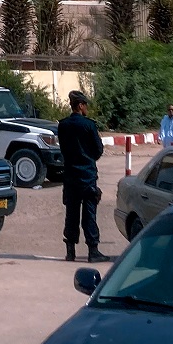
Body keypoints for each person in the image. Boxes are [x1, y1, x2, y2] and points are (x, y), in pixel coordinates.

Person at [57, 90, 109, 263]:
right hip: (87, 175)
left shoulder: (63, 125)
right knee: (89, 214)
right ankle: (93, 251)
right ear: (80, 105)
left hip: (70, 176)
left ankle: (70, 251)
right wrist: (88, 158)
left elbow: (63, 149)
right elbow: (98, 150)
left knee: (71, 214)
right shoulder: (88, 125)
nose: (87, 108)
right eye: (85, 105)